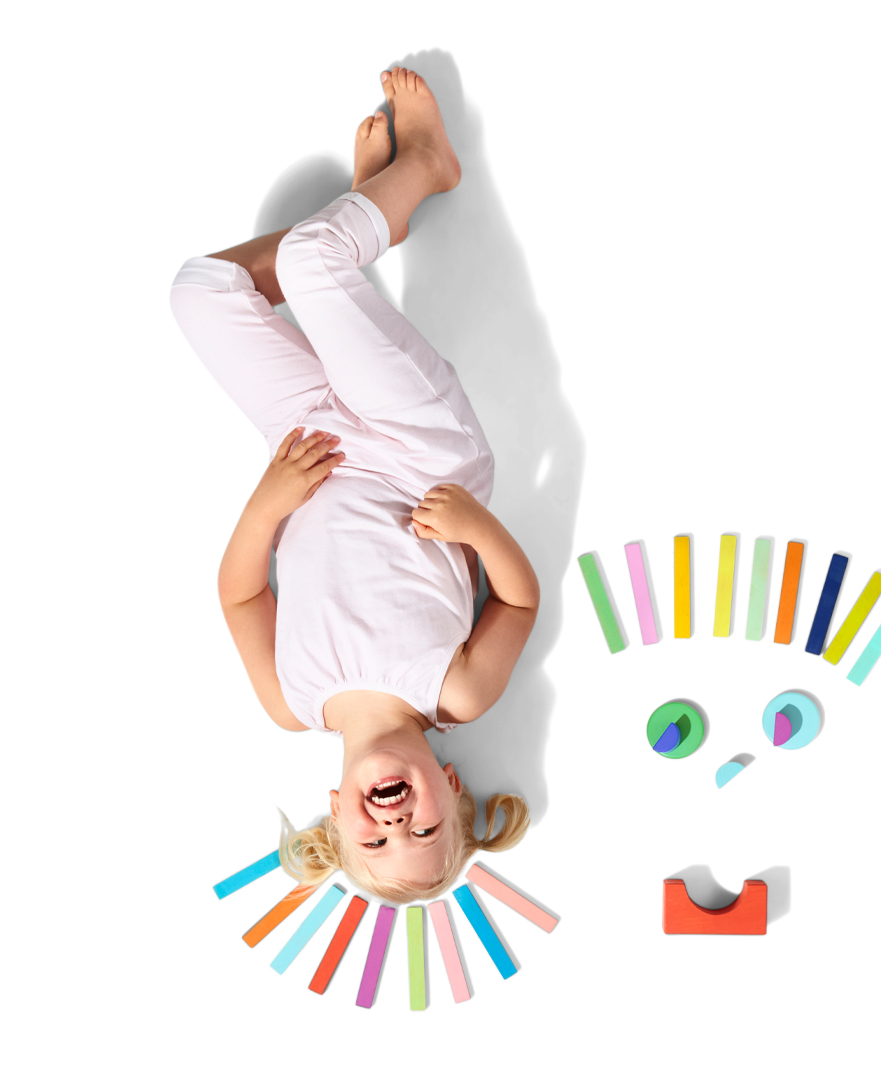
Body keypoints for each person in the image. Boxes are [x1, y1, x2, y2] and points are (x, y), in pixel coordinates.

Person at [171, 67, 540, 905]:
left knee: (198, 292)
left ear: (333, 813)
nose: (397, 823)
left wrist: (270, 498)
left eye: (374, 840)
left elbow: (235, 594)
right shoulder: (457, 693)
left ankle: (371, 205)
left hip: (305, 451)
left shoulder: (289, 703)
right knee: (310, 261)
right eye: (426, 830)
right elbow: (519, 603)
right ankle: (425, 169)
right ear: (454, 789)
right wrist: (478, 530)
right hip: (424, 452)